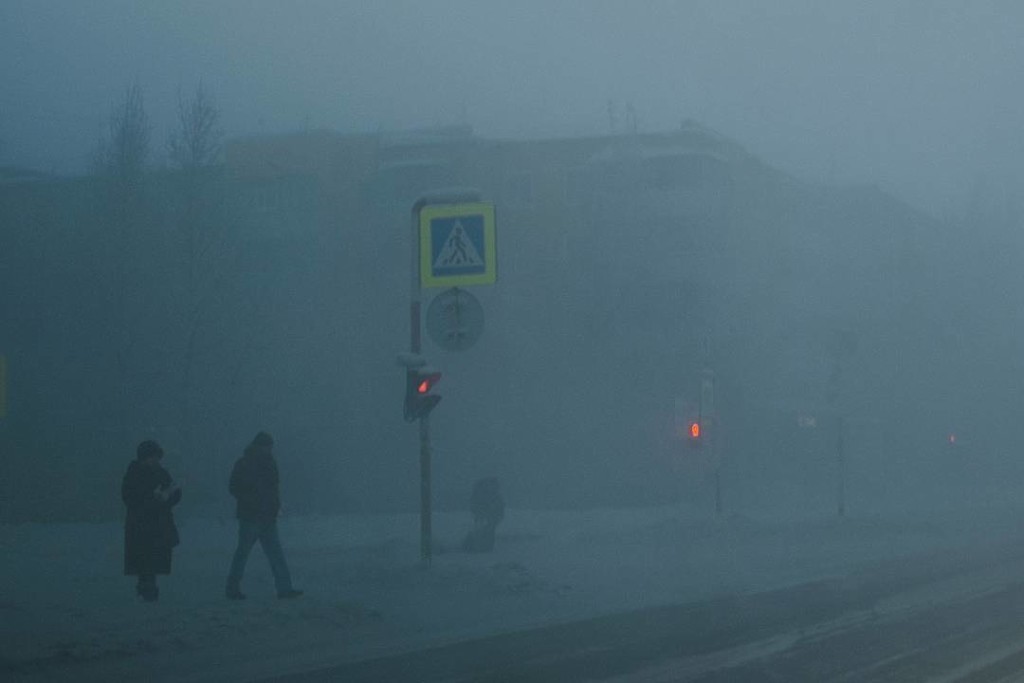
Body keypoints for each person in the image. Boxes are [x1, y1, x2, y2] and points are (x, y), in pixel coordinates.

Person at [225, 431, 302, 600]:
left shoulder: (247, 463)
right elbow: (271, 488)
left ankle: (233, 588)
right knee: (270, 554)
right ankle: (284, 588)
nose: (269, 450)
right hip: (257, 515)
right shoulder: (260, 463)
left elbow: (236, 488)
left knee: (246, 554)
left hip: (258, 515)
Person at [122, 440, 181, 602]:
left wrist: (167, 498)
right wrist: (153, 500)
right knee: (145, 558)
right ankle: (146, 588)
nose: (156, 461)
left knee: (152, 558)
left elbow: (176, 492)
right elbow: (129, 498)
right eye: (153, 457)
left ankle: (148, 587)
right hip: (142, 523)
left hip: (157, 523)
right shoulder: (134, 474)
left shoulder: (161, 472)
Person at [462, 477, 505, 553]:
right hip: (485, 516)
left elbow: (499, 507)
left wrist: (496, 516)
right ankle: (480, 547)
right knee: (484, 530)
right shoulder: (486, 493)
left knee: (486, 530)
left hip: (487, 516)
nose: (496, 487)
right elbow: (476, 505)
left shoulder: (490, 493)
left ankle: (481, 547)